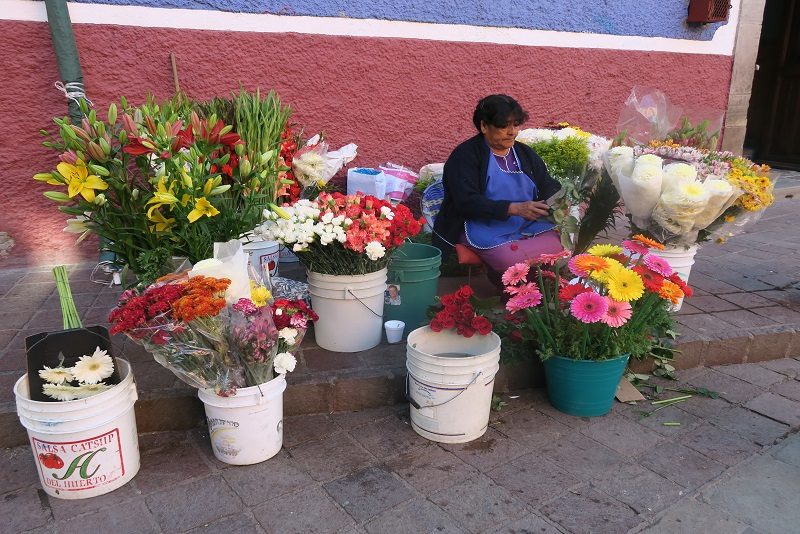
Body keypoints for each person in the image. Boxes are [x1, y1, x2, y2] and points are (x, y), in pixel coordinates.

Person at [432, 94, 564, 280]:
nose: (512, 132)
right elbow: (465, 201)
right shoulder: (465, 156)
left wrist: (560, 203)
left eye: (516, 124)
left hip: (524, 224)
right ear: (484, 126)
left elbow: (547, 185)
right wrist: (513, 208)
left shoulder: (525, 154)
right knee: (511, 259)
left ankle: (529, 289)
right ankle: (514, 287)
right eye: (503, 126)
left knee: (560, 246)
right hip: (479, 226)